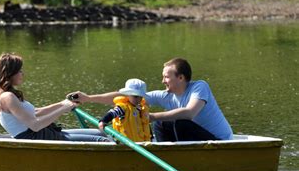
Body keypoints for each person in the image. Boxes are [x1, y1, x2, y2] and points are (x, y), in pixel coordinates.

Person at [70, 58, 233, 142]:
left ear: (181, 77)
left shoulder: (199, 87)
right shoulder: (165, 95)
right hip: (197, 140)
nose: (163, 81)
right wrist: (88, 98)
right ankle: (163, 152)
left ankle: (173, 155)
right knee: (162, 123)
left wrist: (153, 116)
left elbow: (189, 113)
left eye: (166, 77)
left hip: (219, 141)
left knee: (175, 122)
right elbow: (126, 97)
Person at [0, 53, 111, 142]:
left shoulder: (4, 95)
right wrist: (63, 110)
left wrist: (63, 103)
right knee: (100, 139)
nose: (22, 74)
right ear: (10, 73)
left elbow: (35, 112)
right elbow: (35, 125)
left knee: (101, 132)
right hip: (37, 138)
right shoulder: (7, 97)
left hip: (42, 134)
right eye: (19, 71)